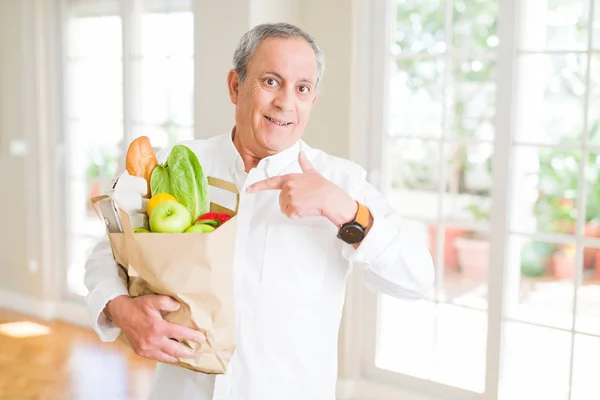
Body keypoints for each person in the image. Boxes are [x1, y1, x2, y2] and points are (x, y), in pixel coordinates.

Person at [84, 22, 434, 400]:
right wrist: (120, 310)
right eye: (270, 81)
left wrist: (346, 212)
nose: (286, 102)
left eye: (302, 88)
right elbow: (106, 254)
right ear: (235, 86)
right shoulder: (176, 165)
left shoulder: (342, 183)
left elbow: (415, 278)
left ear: (312, 100)